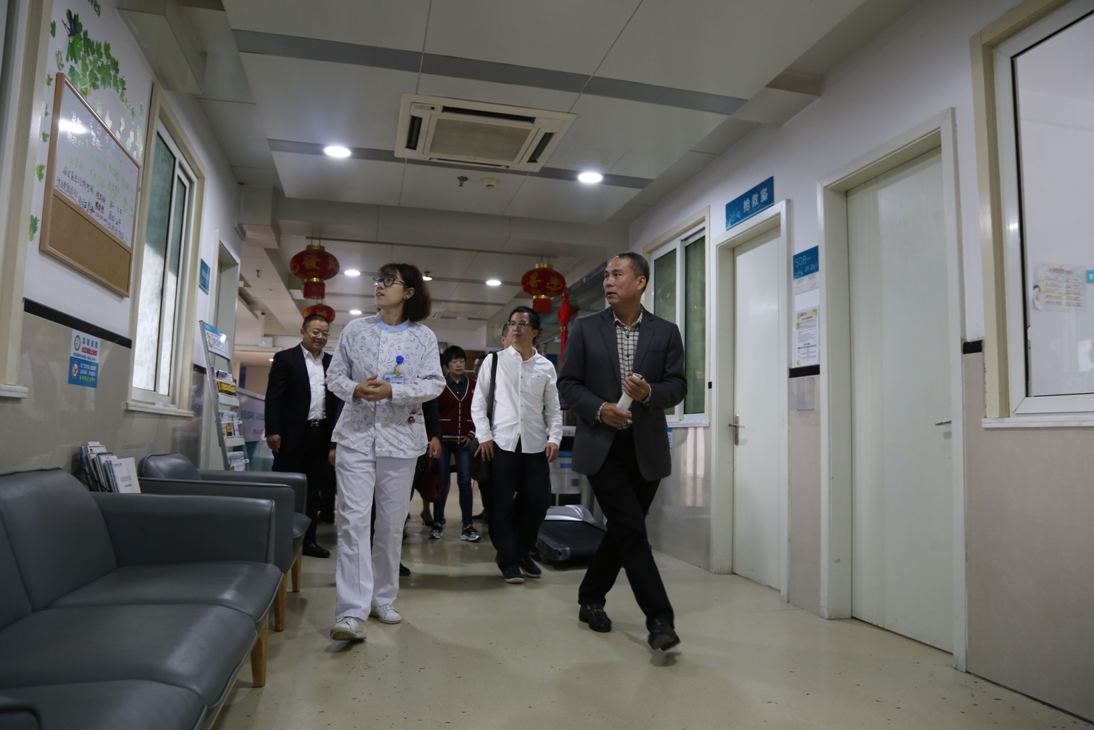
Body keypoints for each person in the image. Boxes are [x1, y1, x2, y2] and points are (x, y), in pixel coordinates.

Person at [557, 252, 686, 652]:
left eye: (617, 274)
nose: (608, 282)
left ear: (640, 281)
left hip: (646, 449)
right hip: (602, 447)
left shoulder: (666, 332)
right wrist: (600, 409)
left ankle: (590, 597)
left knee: (622, 530)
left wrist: (648, 393)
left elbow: (678, 386)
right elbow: (568, 384)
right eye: (607, 276)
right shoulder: (586, 328)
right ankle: (659, 619)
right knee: (632, 530)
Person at [325, 263, 445, 642]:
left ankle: (383, 598)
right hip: (356, 436)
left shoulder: (423, 337)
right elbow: (334, 376)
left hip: (401, 438)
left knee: (391, 525)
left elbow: (434, 383)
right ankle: (351, 611)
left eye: (389, 281)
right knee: (352, 521)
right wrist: (355, 389)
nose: (380, 286)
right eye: (378, 280)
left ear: (409, 292)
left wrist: (394, 391)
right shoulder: (355, 330)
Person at [472, 306, 562, 584]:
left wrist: (554, 437)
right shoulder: (494, 362)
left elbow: (554, 408)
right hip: (501, 444)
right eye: (512, 323)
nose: (516, 328)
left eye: (522, 323)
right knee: (501, 506)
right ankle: (508, 560)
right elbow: (479, 402)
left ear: (535, 331)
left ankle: (521, 551)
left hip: (535, 444)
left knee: (538, 501)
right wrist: (484, 436)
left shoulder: (545, 367)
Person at [265, 312, 341, 558]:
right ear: (303, 331)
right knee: (285, 488)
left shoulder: (332, 363)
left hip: (321, 435)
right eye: (315, 332)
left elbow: (336, 403)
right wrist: (272, 430)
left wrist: (335, 441)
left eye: (325, 334)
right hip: (290, 435)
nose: (320, 337)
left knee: (314, 490)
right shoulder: (286, 359)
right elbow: (274, 397)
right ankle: (278, 538)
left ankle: (308, 541)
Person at [430, 345, 480, 542]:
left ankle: (467, 525)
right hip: (443, 441)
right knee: (442, 482)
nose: (459, 365)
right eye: (454, 361)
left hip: (464, 442)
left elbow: (479, 411)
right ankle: (437, 522)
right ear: (447, 365)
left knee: (465, 483)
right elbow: (432, 412)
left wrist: (472, 433)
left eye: (461, 361)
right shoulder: (439, 385)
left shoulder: (474, 385)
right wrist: (434, 436)